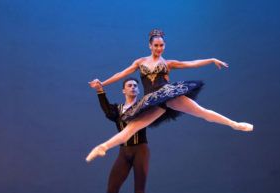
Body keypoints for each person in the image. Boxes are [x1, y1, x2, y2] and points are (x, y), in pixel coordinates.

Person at [86, 29, 253, 162]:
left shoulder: (168, 63)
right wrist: (103, 84)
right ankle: (103, 147)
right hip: (152, 100)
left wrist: (210, 59)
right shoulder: (140, 62)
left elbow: (190, 63)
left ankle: (234, 124)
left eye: (161, 45)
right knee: (131, 129)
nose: (159, 48)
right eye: (156, 45)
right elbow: (121, 73)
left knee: (202, 112)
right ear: (149, 46)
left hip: (169, 95)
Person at [90, 78, 148, 193]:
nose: (133, 87)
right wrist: (100, 90)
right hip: (124, 151)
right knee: (111, 190)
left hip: (141, 150)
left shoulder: (144, 105)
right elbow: (108, 111)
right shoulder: (118, 109)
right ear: (123, 90)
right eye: (129, 85)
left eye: (136, 86)